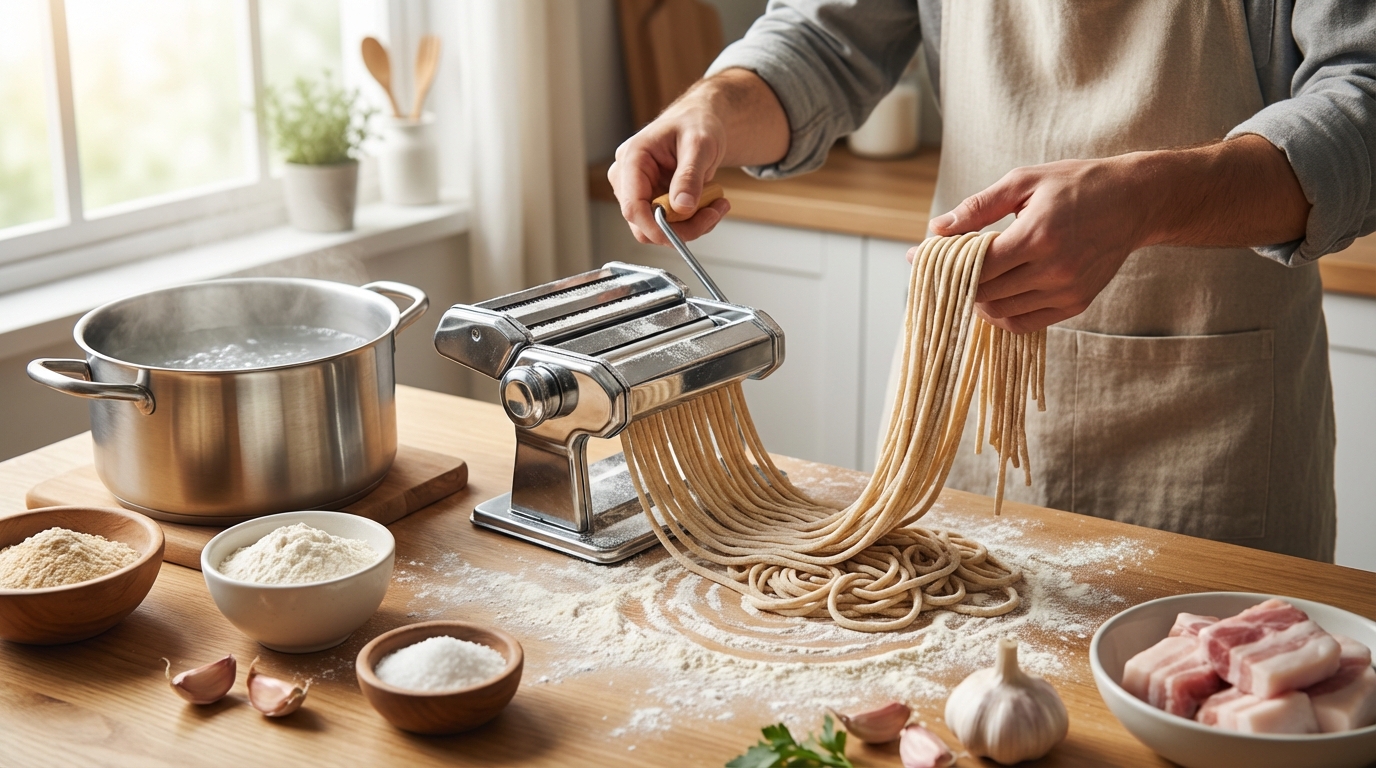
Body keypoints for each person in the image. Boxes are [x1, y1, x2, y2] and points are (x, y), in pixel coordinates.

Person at [607, 1, 1376, 562]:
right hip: (962, 411)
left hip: (1214, 435)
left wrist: (1147, 200)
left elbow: (1362, 104)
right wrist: (715, 105)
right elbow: (825, 37)